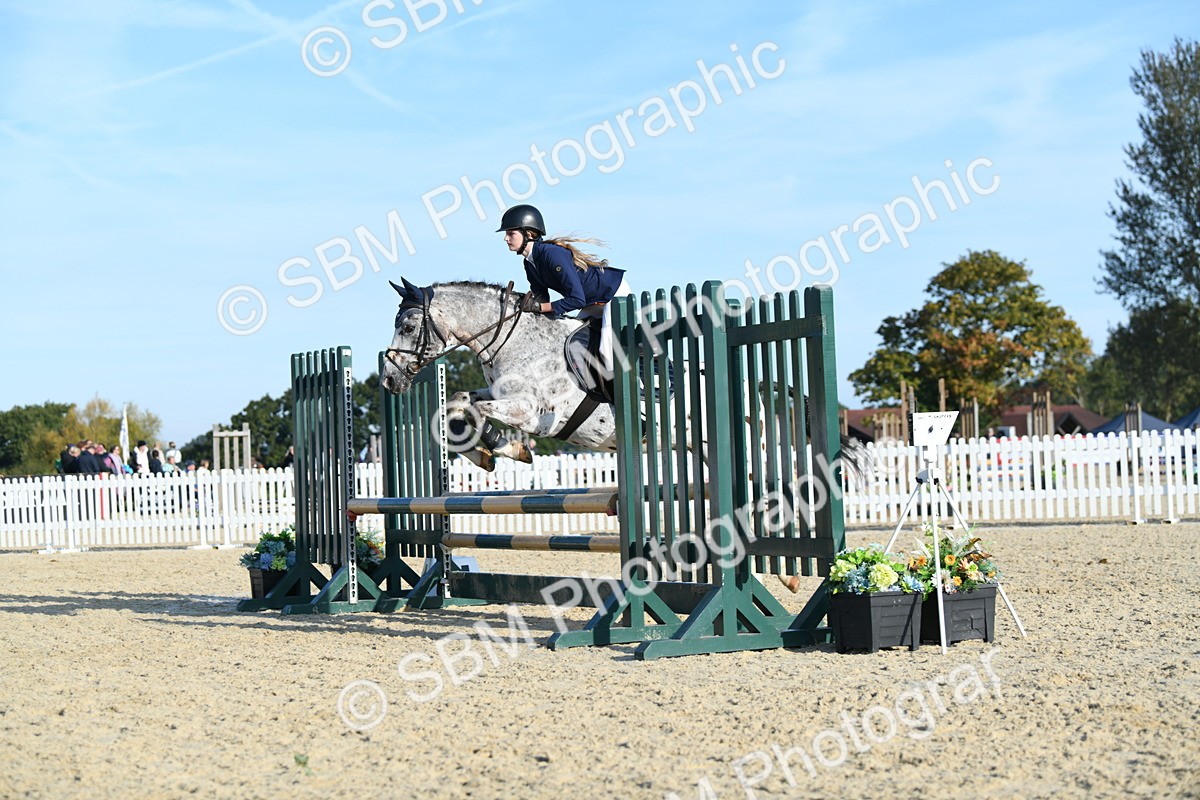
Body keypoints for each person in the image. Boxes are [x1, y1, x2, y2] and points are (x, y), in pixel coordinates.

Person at [497, 204, 631, 373]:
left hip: (613, 294)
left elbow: (576, 299)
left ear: (528, 233)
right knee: (572, 342)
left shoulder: (551, 254)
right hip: (591, 303)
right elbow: (541, 299)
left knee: (606, 352)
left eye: (511, 233)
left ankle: (631, 389)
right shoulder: (529, 263)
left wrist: (541, 307)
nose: (506, 238)